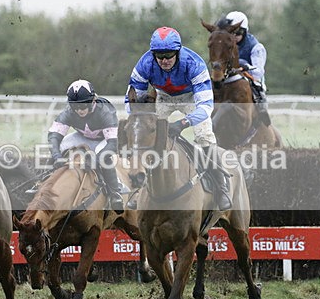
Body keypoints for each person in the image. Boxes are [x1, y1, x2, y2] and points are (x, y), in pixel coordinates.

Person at [125, 26, 232, 210]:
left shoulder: (194, 64)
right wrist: (141, 120)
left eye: (169, 55)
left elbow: (206, 107)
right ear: (153, 54)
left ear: (178, 51)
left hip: (191, 98)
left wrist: (183, 123)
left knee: (204, 135)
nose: (164, 60)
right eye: (159, 56)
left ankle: (220, 186)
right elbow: (132, 103)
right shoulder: (144, 64)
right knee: (146, 134)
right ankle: (139, 188)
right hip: (162, 97)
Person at [47, 80, 124, 213]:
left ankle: (115, 193)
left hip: (104, 140)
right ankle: (43, 182)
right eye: (75, 107)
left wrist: (96, 160)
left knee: (101, 153)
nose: (79, 110)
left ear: (93, 101)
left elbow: (112, 144)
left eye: (83, 106)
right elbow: (54, 136)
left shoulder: (105, 111)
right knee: (61, 146)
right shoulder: (69, 112)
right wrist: (57, 156)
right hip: (82, 137)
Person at [216, 10, 270, 125]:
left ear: (245, 32)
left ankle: (262, 109)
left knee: (257, 85)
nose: (234, 36)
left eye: (238, 32)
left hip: (250, 77)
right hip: (229, 76)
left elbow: (258, 71)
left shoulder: (256, 47)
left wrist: (244, 65)